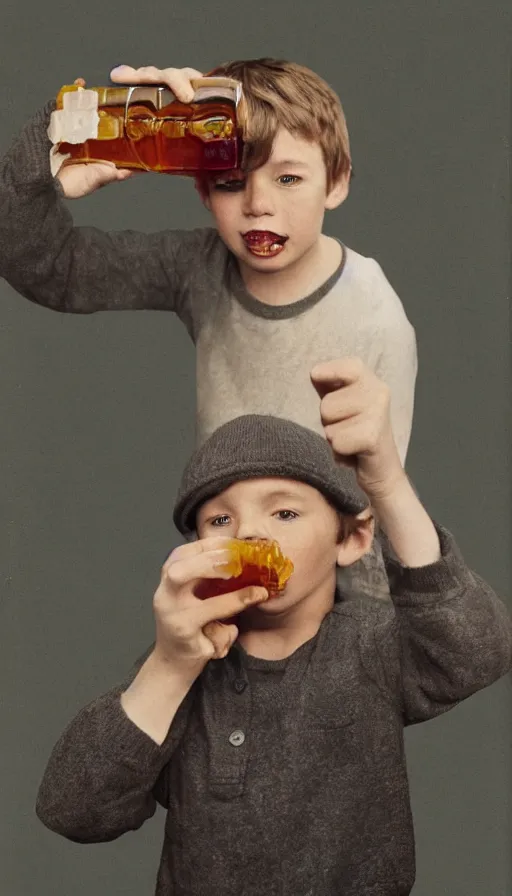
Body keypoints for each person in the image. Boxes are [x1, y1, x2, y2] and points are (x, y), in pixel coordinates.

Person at [35, 359, 512, 896]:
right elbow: (73, 810)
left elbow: (478, 649)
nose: (251, 533)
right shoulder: (184, 667)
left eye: (284, 513)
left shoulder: (373, 644)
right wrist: (169, 666)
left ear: (351, 540)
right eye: (220, 520)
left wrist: (386, 483)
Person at [0, 57, 416, 598]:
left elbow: (370, 506)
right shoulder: (202, 265)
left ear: (335, 183)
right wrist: (71, 129)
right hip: (224, 573)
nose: (259, 205)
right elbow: (53, 269)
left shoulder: (372, 313)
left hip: (328, 599)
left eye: (288, 178)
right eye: (230, 182)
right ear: (202, 192)